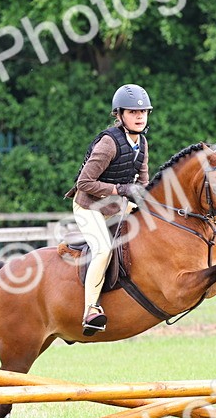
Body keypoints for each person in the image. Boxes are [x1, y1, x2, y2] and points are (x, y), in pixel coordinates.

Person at [64, 84, 152, 335]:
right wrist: (121, 190)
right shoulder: (108, 144)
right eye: (133, 112)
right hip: (89, 206)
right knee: (102, 250)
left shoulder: (142, 144)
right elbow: (84, 182)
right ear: (119, 115)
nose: (139, 117)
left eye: (143, 112)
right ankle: (90, 309)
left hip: (116, 207)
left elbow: (143, 185)